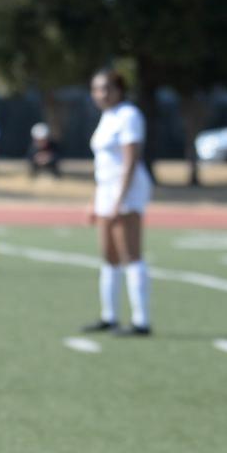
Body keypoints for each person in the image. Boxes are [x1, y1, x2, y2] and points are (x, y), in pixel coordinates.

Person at [82, 69, 153, 336]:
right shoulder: (107, 116)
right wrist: (95, 199)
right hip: (107, 191)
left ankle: (141, 321)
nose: (100, 94)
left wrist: (118, 201)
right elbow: (104, 165)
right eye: (96, 89)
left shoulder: (129, 115)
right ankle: (109, 316)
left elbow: (130, 161)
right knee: (108, 255)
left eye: (106, 88)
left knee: (130, 254)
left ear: (119, 90)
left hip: (127, 191)